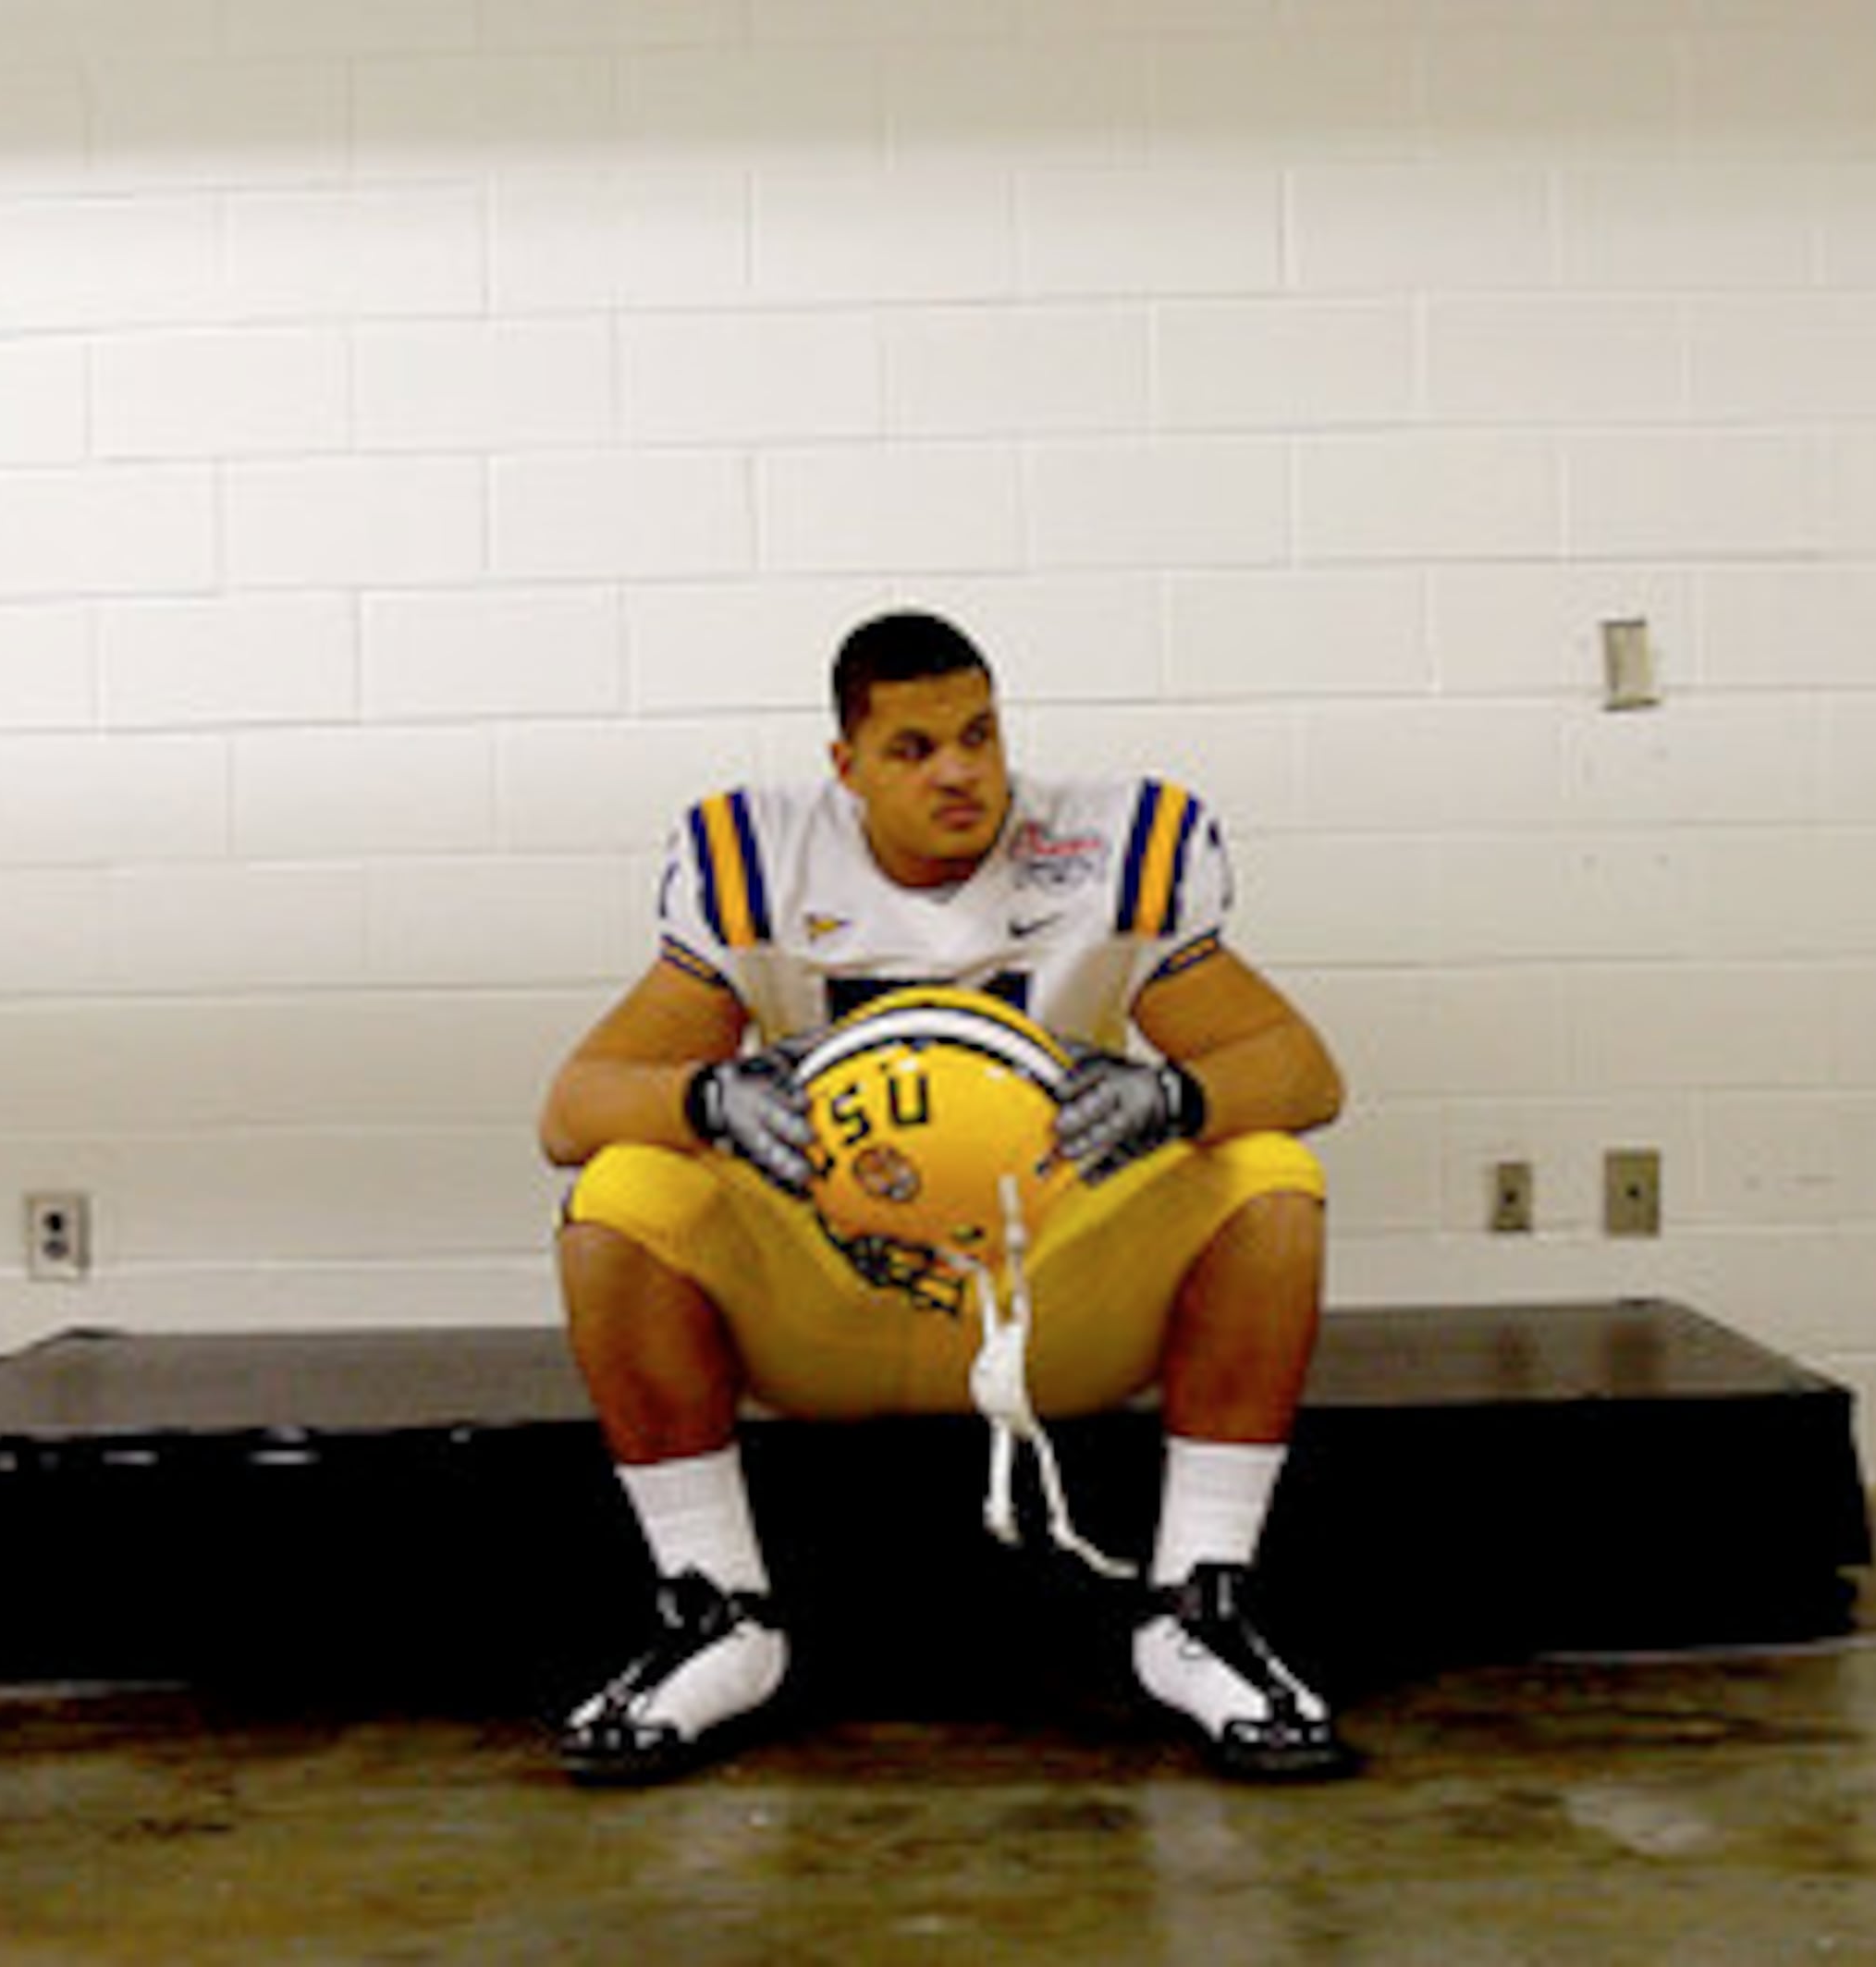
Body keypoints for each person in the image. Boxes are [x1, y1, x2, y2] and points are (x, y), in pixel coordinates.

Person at [535, 608, 1355, 1786]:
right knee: (622, 1195)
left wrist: (1172, 1098)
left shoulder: (1108, 843)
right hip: (834, 1293)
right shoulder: (758, 857)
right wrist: (709, 1102)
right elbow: (572, 1108)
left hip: (1047, 1287)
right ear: (846, 768)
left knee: (1269, 1176)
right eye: (914, 749)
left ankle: (1198, 1608)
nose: (962, 771)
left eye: (979, 734)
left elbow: (1304, 1072)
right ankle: (716, 1612)